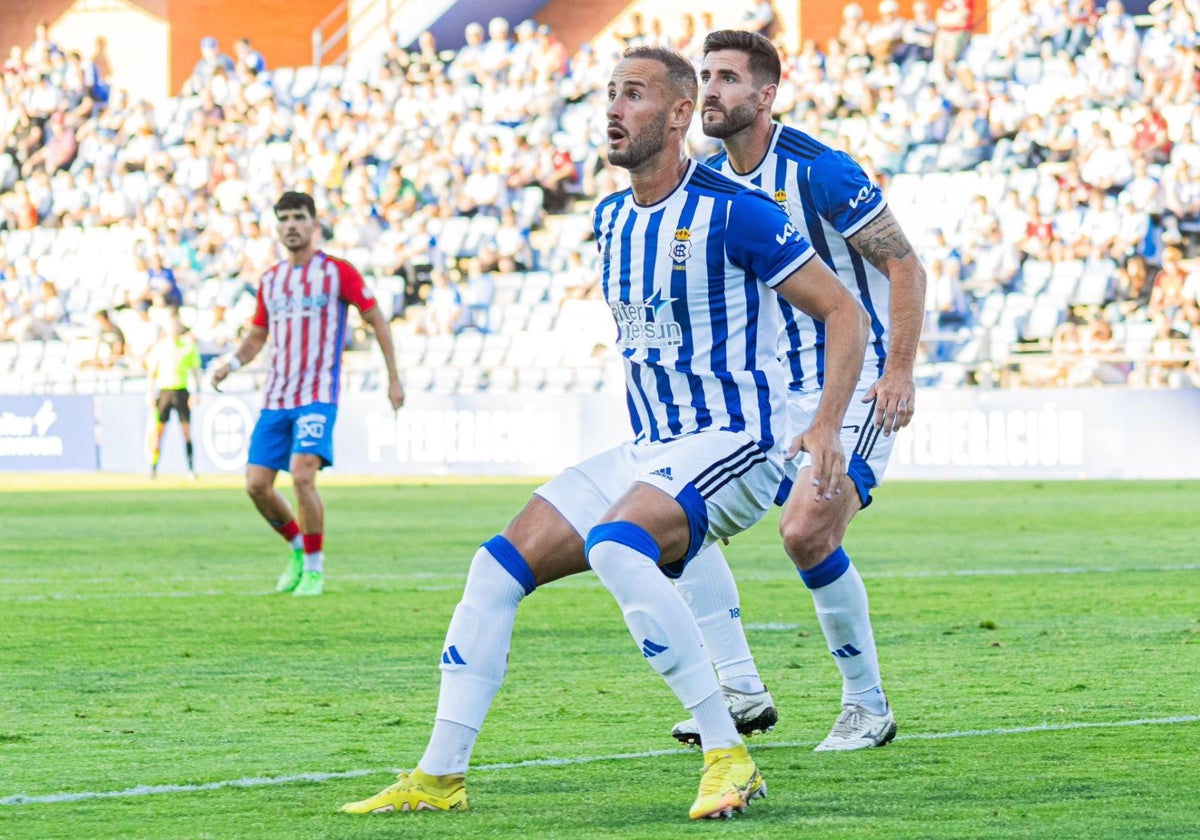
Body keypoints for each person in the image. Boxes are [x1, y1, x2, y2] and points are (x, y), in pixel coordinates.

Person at [340, 45, 868, 820]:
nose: (614, 110)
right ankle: (438, 776)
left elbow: (844, 311)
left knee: (617, 543)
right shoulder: (611, 217)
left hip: (737, 441)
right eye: (609, 94)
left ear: (680, 114)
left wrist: (825, 424)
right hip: (651, 447)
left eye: (634, 96)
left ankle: (729, 754)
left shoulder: (739, 213)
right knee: (494, 570)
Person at [666, 29, 926, 752]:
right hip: (765, 396)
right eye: (705, 76)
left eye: (725, 78)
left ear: (766, 94)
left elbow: (905, 267)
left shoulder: (822, 172)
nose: (710, 91)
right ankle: (741, 689)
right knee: (668, 518)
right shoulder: (705, 182)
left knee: (806, 530)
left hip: (853, 383)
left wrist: (898, 370)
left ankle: (867, 707)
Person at [210, 191, 404, 597]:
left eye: (299, 217)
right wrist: (231, 361)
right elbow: (257, 336)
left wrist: (393, 377)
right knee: (256, 485)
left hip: (317, 394)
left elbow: (376, 320)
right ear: (277, 227)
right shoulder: (271, 280)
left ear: (314, 224)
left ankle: (315, 569)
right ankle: (299, 548)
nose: (291, 225)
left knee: (301, 474)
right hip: (276, 396)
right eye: (284, 219)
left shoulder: (338, 272)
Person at [145, 312, 202, 479]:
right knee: (158, 432)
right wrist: (149, 393)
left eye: (177, 326)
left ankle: (191, 468)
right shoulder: (159, 347)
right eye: (171, 326)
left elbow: (196, 372)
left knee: (186, 431)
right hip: (164, 392)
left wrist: (197, 392)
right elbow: (151, 373)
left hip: (182, 391)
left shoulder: (188, 347)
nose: (174, 329)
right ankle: (153, 468)